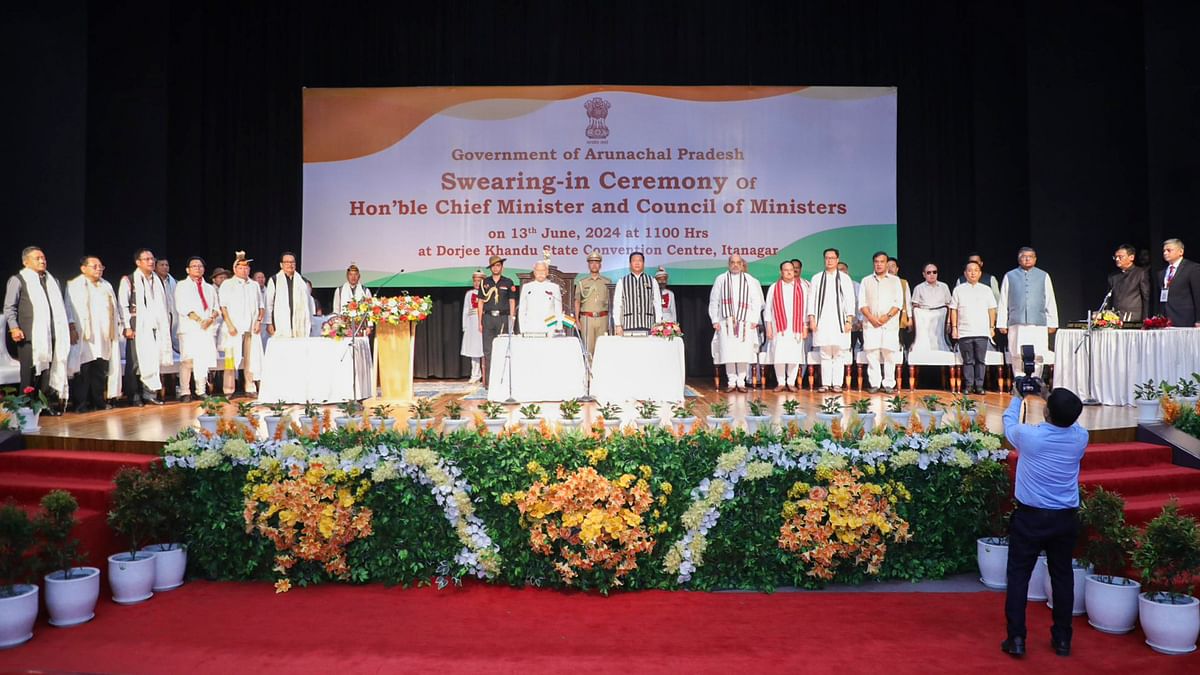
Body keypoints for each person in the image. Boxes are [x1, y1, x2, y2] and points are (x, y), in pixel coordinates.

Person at [1000, 386, 1087, 658]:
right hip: (1064, 519)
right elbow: (1068, 417)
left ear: (1047, 411)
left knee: (1018, 577)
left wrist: (1018, 395)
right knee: (1062, 577)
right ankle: (1063, 639)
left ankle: (1016, 638)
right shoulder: (1080, 437)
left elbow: (1008, 423)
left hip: (1030, 517)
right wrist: (1047, 394)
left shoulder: (1030, 436)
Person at [4, 246, 71, 413]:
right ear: (26, 262)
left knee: (47, 373)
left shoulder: (52, 281)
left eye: (43, 258)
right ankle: (24, 408)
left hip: (52, 334)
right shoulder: (19, 279)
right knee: (29, 373)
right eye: (37, 258)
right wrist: (14, 328)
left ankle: (43, 405)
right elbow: (9, 307)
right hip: (29, 335)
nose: (42, 261)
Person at [64, 255, 121, 412]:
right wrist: (71, 327)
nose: (98, 269)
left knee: (99, 369)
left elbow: (114, 309)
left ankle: (98, 402)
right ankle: (80, 404)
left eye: (100, 267)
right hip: (84, 334)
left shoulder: (106, 285)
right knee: (83, 369)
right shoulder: (75, 285)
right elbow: (68, 308)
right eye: (94, 266)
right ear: (83, 268)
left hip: (103, 335)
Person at [117, 248, 172, 406]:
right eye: (147, 259)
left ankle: (149, 394)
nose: (151, 262)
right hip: (137, 327)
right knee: (135, 362)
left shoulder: (157, 280)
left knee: (153, 361)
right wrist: (127, 326)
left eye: (152, 259)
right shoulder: (129, 280)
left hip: (155, 327)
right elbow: (123, 305)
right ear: (138, 262)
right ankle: (134, 395)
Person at [997, 247, 1058, 378]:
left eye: (1030, 256)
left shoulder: (1043, 276)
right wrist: (1001, 322)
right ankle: (1019, 379)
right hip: (1016, 322)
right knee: (1016, 353)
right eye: (1024, 256)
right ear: (1019, 259)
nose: (1027, 259)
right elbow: (1003, 300)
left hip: (1038, 322)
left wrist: (1052, 322)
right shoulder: (1010, 276)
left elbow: (1050, 299)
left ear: (1035, 259)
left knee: (1039, 352)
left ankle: (1036, 379)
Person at [708, 255, 763, 393]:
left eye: (738, 263)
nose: (735, 265)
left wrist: (755, 320)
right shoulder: (721, 279)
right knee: (729, 352)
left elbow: (756, 301)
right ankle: (732, 382)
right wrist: (715, 320)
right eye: (732, 262)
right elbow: (714, 301)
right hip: (725, 322)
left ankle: (741, 381)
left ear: (742, 264)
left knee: (743, 353)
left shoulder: (750, 280)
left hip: (746, 322)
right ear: (728, 264)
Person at [173, 256, 220, 402]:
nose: (197, 268)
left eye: (200, 266)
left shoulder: (209, 288)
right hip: (190, 328)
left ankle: (201, 390)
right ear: (188, 270)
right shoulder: (182, 285)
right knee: (187, 360)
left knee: (203, 360)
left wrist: (211, 319)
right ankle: (185, 391)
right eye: (194, 266)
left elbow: (216, 307)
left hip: (206, 329)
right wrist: (200, 320)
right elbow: (182, 307)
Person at [810, 249, 857, 393]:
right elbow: (811, 300)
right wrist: (812, 318)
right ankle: (825, 383)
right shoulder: (817, 278)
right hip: (822, 320)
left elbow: (850, 300)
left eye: (832, 258)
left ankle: (837, 383)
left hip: (840, 321)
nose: (829, 261)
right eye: (827, 258)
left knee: (838, 353)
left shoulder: (844, 278)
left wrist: (849, 320)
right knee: (824, 353)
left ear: (837, 260)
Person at [219, 252, 264, 397]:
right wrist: (230, 325)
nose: (244, 270)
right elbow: (223, 307)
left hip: (251, 328)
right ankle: (228, 388)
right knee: (231, 360)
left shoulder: (254, 285)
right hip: (234, 329)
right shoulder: (227, 284)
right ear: (235, 269)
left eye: (246, 268)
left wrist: (258, 322)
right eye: (241, 268)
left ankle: (250, 387)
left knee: (251, 359)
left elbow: (261, 307)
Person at [859, 252, 904, 393]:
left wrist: (887, 316)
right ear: (873, 263)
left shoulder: (895, 280)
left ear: (886, 263)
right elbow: (862, 303)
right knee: (872, 354)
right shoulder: (866, 280)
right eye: (876, 261)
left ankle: (889, 383)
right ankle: (874, 383)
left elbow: (899, 303)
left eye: (882, 261)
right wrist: (871, 318)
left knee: (889, 354)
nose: (879, 264)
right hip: (871, 323)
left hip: (889, 324)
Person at [950, 261, 997, 394]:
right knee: (968, 361)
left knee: (981, 360)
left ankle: (980, 386)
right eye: (969, 270)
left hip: (982, 331)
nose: (972, 273)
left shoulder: (986, 290)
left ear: (980, 273)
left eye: (975, 270)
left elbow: (992, 309)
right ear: (965, 273)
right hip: (965, 331)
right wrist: (954, 327)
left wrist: (991, 327)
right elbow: (953, 309)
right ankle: (969, 386)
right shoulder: (958, 290)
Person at [765, 260, 808, 391]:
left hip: (796, 328)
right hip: (779, 327)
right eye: (786, 270)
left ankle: (791, 382)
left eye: (791, 270)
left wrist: (805, 327)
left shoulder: (802, 288)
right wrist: (769, 327)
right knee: (779, 355)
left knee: (794, 356)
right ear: (781, 272)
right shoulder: (774, 287)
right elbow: (768, 309)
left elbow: (806, 308)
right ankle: (781, 382)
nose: (789, 272)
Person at [479, 255, 517, 386]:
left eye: (498, 265)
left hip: (503, 318)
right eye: (493, 266)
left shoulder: (508, 282)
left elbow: (512, 301)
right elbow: (480, 302)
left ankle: (503, 380)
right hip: (488, 318)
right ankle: (490, 382)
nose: (496, 268)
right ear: (490, 268)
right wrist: (480, 321)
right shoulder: (485, 283)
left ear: (502, 267)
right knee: (488, 350)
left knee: (502, 349)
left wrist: (512, 319)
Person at [613, 251, 662, 335]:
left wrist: (658, 323)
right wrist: (617, 325)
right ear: (630, 264)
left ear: (643, 263)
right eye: (634, 260)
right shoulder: (622, 281)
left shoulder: (652, 281)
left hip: (648, 325)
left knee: (648, 348)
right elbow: (617, 304)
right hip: (628, 326)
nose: (637, 263)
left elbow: (657, 303)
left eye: (639, 260)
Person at [265, 251, 311, 339]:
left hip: (299, 323)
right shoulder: (274, 280)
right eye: (287, 262)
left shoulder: (302, 281)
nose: (290, 264)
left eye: (292, 262)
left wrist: (309, 323)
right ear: (281, 265)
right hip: (280, 322)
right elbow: (269, 303)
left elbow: (308, 304)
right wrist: (269, 323)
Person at [574, 251, 611, 356]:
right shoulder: (582, 282)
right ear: (588, 265)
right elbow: (577, 301)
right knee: (588, 348)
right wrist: (577, 320)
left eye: (596, 262)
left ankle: (601, 371)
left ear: (600, 265)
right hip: (586, 319)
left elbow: (611, 303)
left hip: (603, 318)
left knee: (602, 347)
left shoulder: (607, 282)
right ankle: (588, 371)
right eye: (591, 262)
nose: (594, 265)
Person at [911, 263, 953, 352]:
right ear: (924, 274)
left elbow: (949, 305)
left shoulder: (944, 286)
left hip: (941, 320)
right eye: (929, 272)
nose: (932, 275)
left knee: (944, 345)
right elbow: (915, 307)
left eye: (934, 272)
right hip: (924, 322)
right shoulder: (918, 288)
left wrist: (948, 322)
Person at [1158, 238, 1200, 327]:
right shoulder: (1162, 273)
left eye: (1169, 250)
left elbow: (1197, 295)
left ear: (1180, 252)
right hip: (1165, 319)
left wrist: (1198, 319)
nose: (1165, 253)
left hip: (1185, 319)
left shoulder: (1192, 268)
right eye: (1164, 251)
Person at [1106, 244, 1149, 322]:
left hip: (1134, 318)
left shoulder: (1140, 273)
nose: (1117, 259)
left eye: (1120, 257)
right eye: (1115, 257)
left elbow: (1146, 298)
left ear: (1131, 257)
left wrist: (1145, 319)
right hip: (1115, 318)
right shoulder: (1113, 276)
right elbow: (1109, 299)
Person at [518, 260, 562, 334]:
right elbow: (522, 310)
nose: (541, 273)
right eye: (538, 270)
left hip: (549, 328)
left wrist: (558, 327)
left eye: (543, 270)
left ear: (547, 272)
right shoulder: (527, 287)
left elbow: (558, 309)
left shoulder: (554, 287)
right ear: (534, 272)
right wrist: (522, 329)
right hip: (530, 327)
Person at [460, 270, 485, 383]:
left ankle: (486, 374)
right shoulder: (469, 294)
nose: (476, 283)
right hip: (471, 323)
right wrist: (465, 325)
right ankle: (475, 374)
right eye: (475, 281)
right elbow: (465, 309)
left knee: (484, 349)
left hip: (483, 322)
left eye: (479, 281)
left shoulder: (487, 293)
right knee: (473, 350)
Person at [155, 257, 180, 355]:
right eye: (162, 265)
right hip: (159, 316)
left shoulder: (176, 283)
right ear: (155, 267)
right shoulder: (152, 282)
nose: (165, 267)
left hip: (173, 315)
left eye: (167, 265)